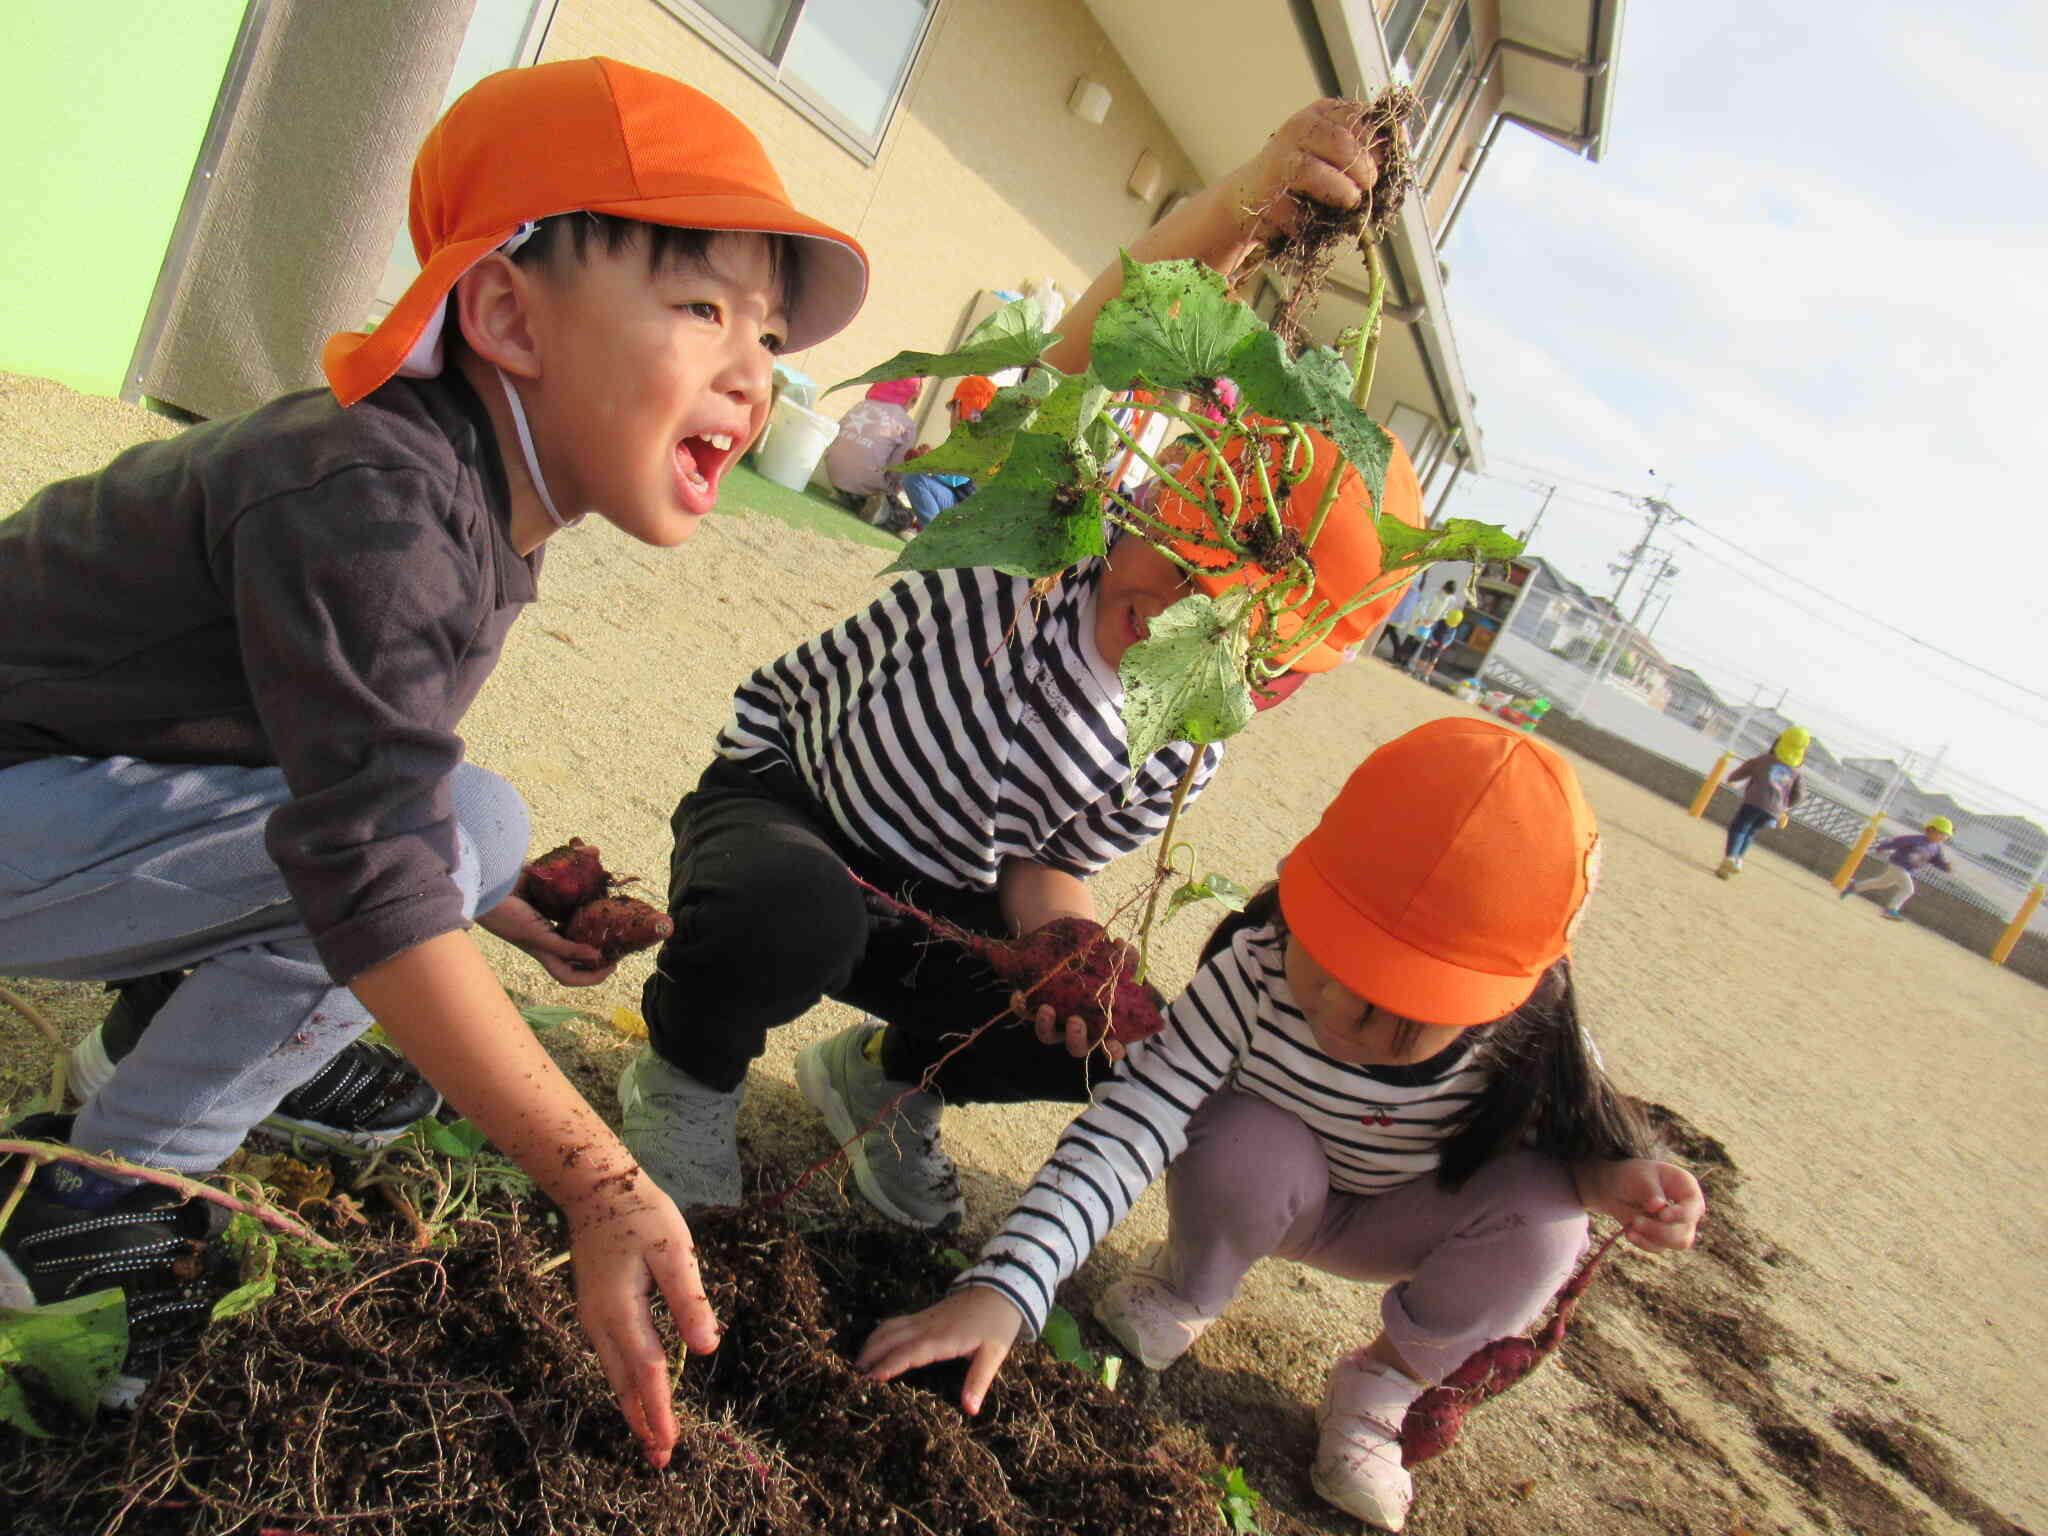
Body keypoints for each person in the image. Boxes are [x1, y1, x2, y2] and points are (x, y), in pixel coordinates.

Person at [0, 56, 869, 1467]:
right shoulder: (380, 503)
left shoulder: (463, 483)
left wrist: (495, 897)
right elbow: (365, 853)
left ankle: (165, 1041)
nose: (751, 375)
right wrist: (593, 1176)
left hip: (62, 796)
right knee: (427, 857)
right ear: (508, 314)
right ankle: (106, 1189)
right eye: (702, 307)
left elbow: (352, 761)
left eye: (767, 337)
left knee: (476, 834)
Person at [616, 97, 1415, 1234]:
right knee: (782, 912)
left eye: (1230, 629)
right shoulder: (1049, 530)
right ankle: (688, 1077)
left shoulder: (1183, 738)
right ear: (1149, 503)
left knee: (1124, 1041)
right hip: (794, 817)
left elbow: (1044, 860)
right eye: (1179, 564)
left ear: (1275, 670)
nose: (1176, 615)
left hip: (943, 911)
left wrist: (1068, 948)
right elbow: (1103, 330)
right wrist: (1252, 201)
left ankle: (886, 1085)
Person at [854, 718, 1704, 1532]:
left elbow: (1583, 1162)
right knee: (1247, 1136)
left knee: (1551, 1221)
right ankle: (1192, 1284)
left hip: (1407, 1215)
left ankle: (1385, 1386)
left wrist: (1620, 1185)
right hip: (1267, 1186)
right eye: (1325, 958)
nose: (1334, 1010)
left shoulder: (1536, 1044)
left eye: (1389, 1010)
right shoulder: (1255, 971)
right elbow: (1129, 1123)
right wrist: (1007, 1287)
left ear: (1503, 999)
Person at [897, 374, 998, 530]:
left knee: (914, 478)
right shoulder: (984, 438)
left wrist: (926, 462)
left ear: (959, 408)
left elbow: (955, 479)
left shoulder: (975, 441)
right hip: (970, 511)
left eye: (952, 408)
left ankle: (931, 534)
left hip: (969, 516)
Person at [823, 377, 923, 525]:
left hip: (833, 474)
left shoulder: (861, 406)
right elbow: (897, 469)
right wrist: (893, 491)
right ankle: (881, 511)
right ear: (912, 399)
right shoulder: (907, 424)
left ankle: (843, 494)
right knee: (906, 517)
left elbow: (835, 436)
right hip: (866, 488)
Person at [1714, 726, 1808, 878]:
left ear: (1780, 741)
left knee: (1739, 827)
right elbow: (1799, 795)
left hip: (1754, 802)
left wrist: (1732, 777)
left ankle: (1730, 857)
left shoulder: (1765, 760)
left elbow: (1745, 769)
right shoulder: (1796, 773)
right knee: (1750, 833)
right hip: (1773, 812)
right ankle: (1736, 862)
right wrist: (1785, 805)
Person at [1841, 816, 1956, 920]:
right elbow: (1898, 842)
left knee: (1882, 883)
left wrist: (1945, 866)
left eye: (1946, 835)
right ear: (1931, 831)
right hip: (1898, 865)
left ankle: (1854, 887)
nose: (1944, 837)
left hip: (1907, 870)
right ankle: (1891, 909)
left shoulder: (1936, 848)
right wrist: (1884, 846)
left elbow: (1937, 860)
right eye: (1942, 833)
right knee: (1908, 889)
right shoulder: (1916, 840)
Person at [1410, 607, 1464, 683]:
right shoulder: (1440, 622)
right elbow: (1432, 630)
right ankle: (1417, 672)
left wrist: (1445, 645)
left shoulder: (1454, 629)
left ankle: (1426, 676)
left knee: (1432, 662)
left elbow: (1451, 639)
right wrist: (1432, 639)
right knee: (1424, 658)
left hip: (1439, 647)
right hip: (1431, 643)